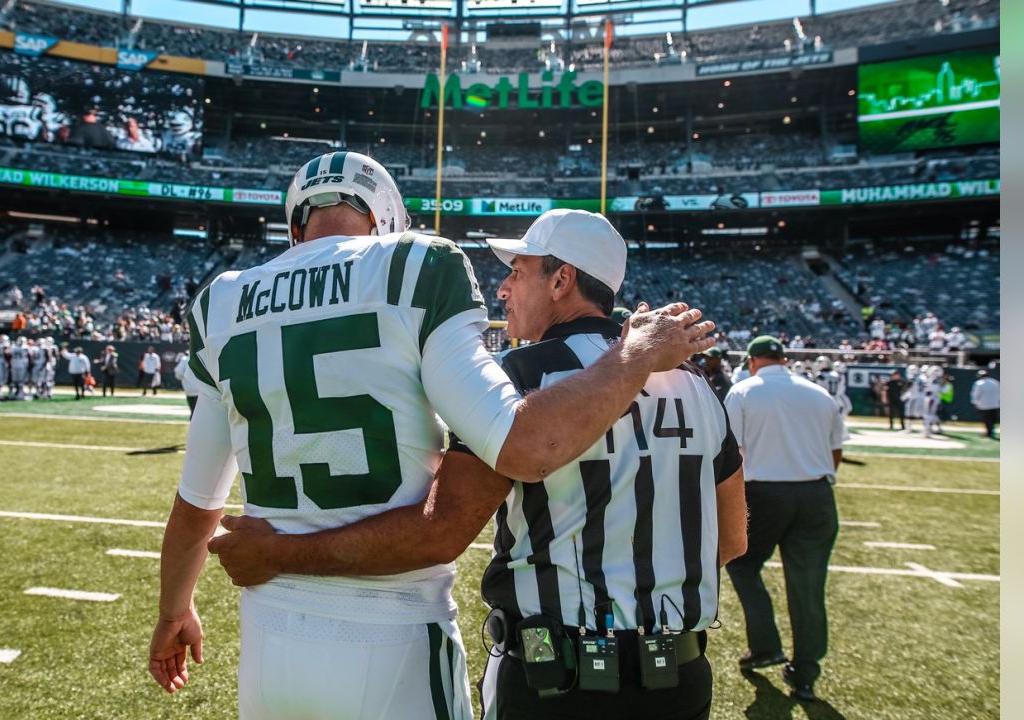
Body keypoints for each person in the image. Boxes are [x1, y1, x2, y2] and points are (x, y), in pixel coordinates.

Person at [148, 152, 716, 719]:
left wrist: (174, 612)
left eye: (517, 271)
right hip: (396, 635)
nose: (503, 288)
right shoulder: (415, 264)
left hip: (270, 644)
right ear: (384, 218)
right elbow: (522, 447)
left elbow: (197, 506)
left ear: (296, 223)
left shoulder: (223, 299)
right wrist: (635, 353)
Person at [723, 336, 845, 703]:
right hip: (816, 495)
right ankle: (805, 674)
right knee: (808, 585)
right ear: (784, 359)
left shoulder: (744, 391)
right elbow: (835, 450)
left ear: (754, 361)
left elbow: (730, 454)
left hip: (764, 493)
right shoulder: (820, 394)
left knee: (742, 566)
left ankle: (765, 646)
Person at [970, 369, 1000, 439]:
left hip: (984, 404)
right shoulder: (995, 382)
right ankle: (990, 431)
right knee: (992, 419)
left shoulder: (979, 383)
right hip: (994, 404)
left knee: (986, 419)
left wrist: (975, 402)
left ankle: (989, 432)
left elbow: (976, 394)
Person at [172, 350, 199, 416]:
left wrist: (184, 378)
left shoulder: (185, 360)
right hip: (201, 390)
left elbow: (178, 372)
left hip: (189, 389)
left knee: (193, 410)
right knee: (199, 412)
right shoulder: (203, 359)